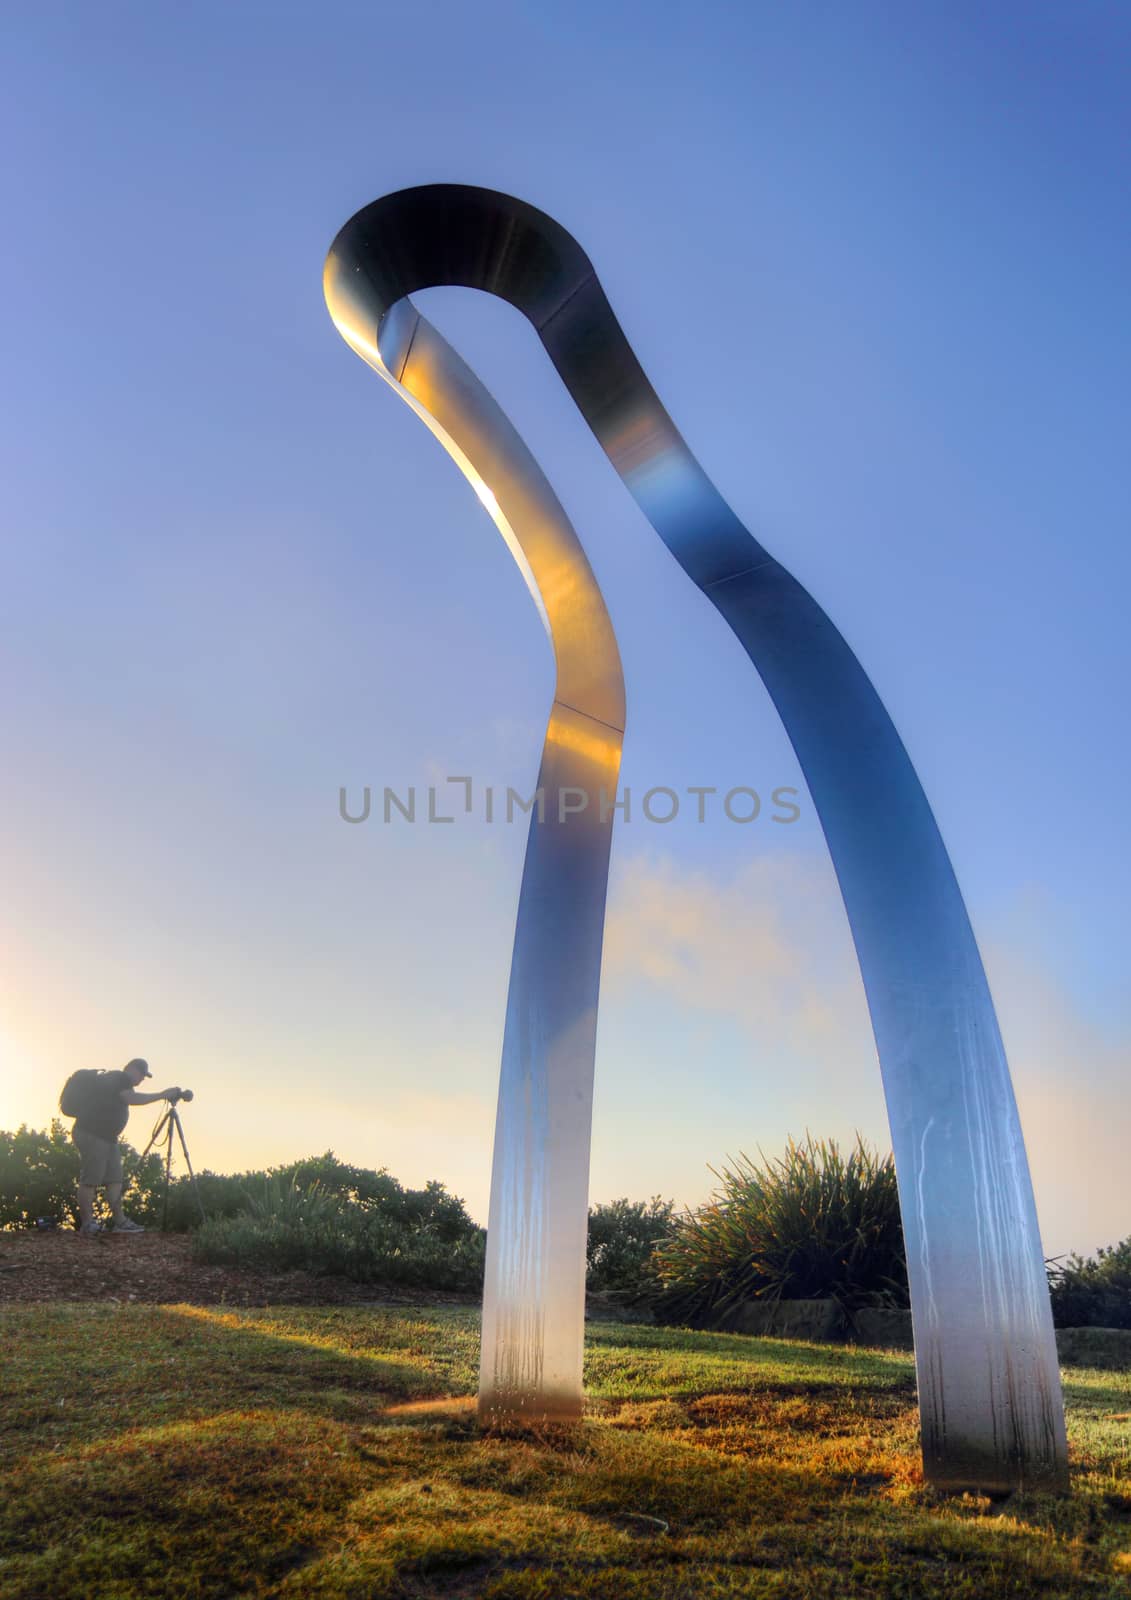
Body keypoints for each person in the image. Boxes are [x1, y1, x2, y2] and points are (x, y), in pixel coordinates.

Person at [72, 1057, 185, 1237]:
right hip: (92, 1133)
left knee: (115, 1178)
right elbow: (130, 1098)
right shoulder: (119, 1078)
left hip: (108, 1138)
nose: (141, 1080)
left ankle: (120, 1222)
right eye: (142, 1075)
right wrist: (163, 1094)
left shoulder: (116, 1081)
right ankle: (87, 1225)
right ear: (133, 1069)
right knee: (91, 1179)